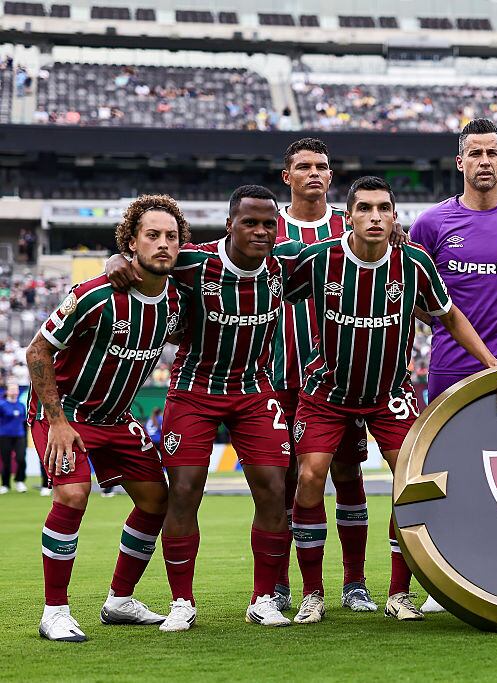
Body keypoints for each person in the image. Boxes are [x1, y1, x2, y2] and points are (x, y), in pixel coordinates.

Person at [285, 176, 497, 624]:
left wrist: (490, 362)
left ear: (395, 216)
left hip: (389, 393)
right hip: (327, 392)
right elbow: (261, 284)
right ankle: (313, 593)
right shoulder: (318, 260)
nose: (375, 216)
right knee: (310, 477)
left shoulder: (414, 263)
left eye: (384, 208)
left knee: (411, 478)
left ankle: (398, 593)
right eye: (364, 208)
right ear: (348, 217)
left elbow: (449, 315)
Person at [105, 185, 303, 631]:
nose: (260, 231)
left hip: (254, 390)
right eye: (250, 222)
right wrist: (114, 260)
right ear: (229, 224)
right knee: (185, 490)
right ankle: (182, 601)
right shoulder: (192, 261)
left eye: (268, 223)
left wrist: (396, 237)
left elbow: (343, 251)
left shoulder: (287, 262)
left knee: (275, 489)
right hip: (194, 391)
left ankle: (264, 599)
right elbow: (135, 261)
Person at [27, 195, 187, 642]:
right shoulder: (95, 294)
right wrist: (58, 421)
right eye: (152, 235)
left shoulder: (175, 301)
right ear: (131, 242)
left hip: (117, 418)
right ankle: (54, 612)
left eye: (171, 236)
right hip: (66, 413)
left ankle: (119, 601)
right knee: (74, 496)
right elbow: (37, 349)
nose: (162, 243)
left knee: (157, 501)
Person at [409, 119, 497, 613]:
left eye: (493, 153)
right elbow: (420, 299)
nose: (485, 162)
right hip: (449, 370)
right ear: (460, 162)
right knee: (449, 476)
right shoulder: (430, 225)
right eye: (475, 154)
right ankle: (444, 582)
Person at [273, 137, 392, 614]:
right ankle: (279, 584)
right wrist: (119, 258)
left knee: (348, 474)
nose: (314, 174)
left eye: (322, 166)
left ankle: (355, 582)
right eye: (303, 166)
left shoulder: (357, 226)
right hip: (279, 375)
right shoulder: (267, 228)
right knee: (284, 482)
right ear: (288, 176)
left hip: (343, 380)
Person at [0, 384, 27, 494]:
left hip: (19, 435)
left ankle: (19, 481)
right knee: (6, 460)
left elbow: (24, 420)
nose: (14, 391)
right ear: (7, 391)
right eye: (12, 389)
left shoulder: (21, 405)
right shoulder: (2, 405)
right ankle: (5, 484)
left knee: (21, 458)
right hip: (4, 436)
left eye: (16, 389)